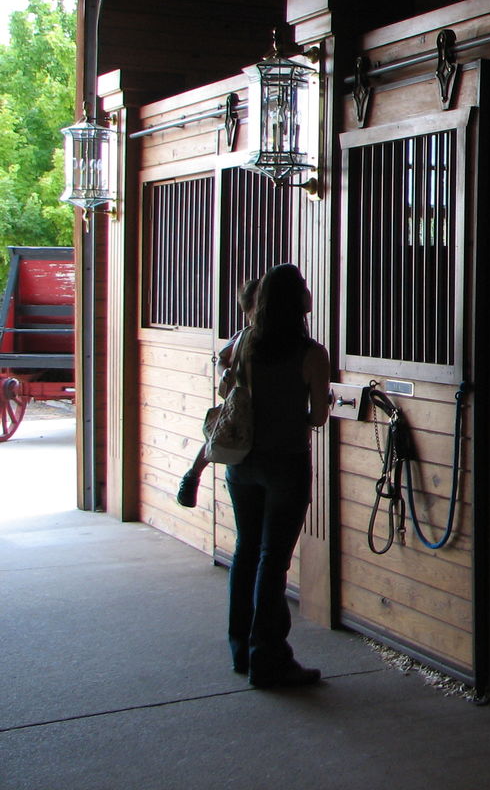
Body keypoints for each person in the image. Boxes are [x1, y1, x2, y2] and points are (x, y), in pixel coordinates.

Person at [225, 263, 331, 688]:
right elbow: (319, 416)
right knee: (273, 560)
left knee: (246, 552)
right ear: (296, 300)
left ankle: (242, 651)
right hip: (286, 462)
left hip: (243, 462)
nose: (309, 290)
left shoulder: (244, 343)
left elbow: (227, 392)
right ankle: (270, 657)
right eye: (304, 286)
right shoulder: (311, 353)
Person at [177, 277, 260, 509]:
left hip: (250, 402)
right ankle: (193, 475)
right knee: (216, 437)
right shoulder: (242, 335)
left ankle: (193, 476)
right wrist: (224, 373)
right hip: (239, 400)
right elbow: (221, 359)